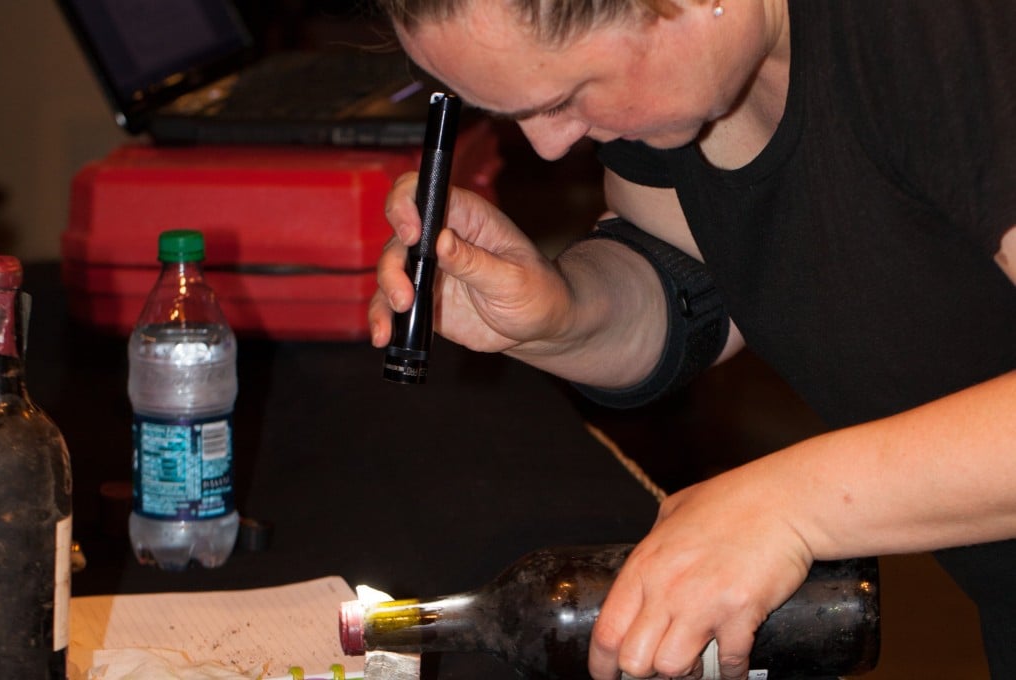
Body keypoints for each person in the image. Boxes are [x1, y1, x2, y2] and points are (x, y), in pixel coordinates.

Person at [367, 0, 1016, 677]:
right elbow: (700, 280)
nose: (551, 144)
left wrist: (792, 506)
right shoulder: (691, 87)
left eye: (566, 96)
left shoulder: (953, 27)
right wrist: (560, 314)